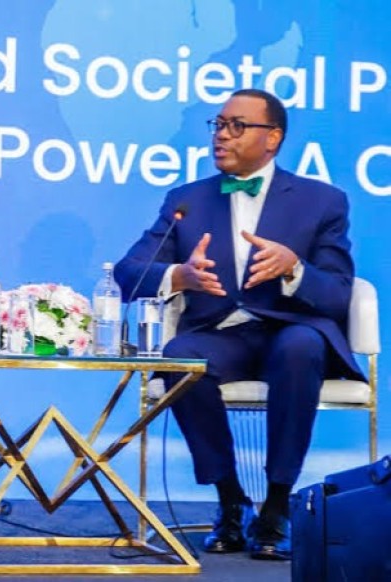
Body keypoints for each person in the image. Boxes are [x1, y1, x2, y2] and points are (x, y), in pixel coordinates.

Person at [115, 89, 363, 561]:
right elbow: (128, 274)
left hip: (290, 330)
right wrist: (179, 275)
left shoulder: (322, 201)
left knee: (300, 347)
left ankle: (277, 506)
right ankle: (231, 501)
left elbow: (337, 293)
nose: (221, 136)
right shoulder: (186, 200)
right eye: (218, 125)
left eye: (237, 126)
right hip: (221, 334)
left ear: (273, 138)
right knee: (179, 356)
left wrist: (294, 268)